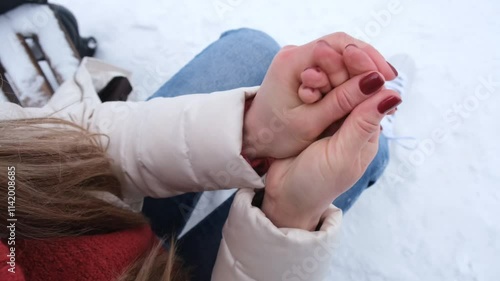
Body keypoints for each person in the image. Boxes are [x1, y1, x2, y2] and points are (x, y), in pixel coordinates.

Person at [0, 29, 401, 281]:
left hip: (99, 212)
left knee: (250, 47)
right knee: (369, 147)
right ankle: (376, 154)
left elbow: (49, 152)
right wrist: (290, 212)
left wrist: (252, 132)